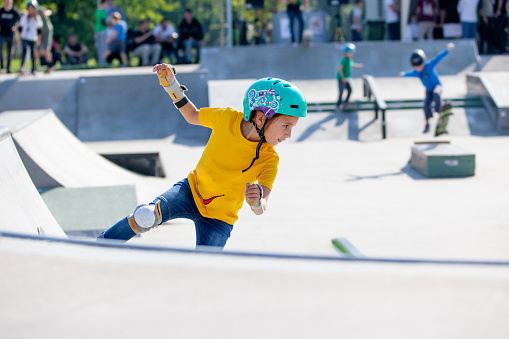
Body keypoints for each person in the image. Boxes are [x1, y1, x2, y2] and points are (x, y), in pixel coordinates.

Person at [97, 63, 307, 249]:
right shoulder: (226, 118)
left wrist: (256, 201)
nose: (288, 135)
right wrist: (171, 85)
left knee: (205, 267)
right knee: (146, 215)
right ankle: (100, 246)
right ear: (261, 118)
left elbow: (262, 207)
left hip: (219, 219)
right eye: (286, 126)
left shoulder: (270, 159)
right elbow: (192, 115)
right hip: (189, 192)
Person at [399, 43, 455, 133]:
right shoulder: (416, 72)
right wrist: (403, 74)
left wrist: (448, 50)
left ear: (423, 63)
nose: (419, 68)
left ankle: (439, 110)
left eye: (420, 66)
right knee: (425, 105)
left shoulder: (429, 66)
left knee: (437, 93)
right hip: (428, 91)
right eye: (416, 67)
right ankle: (427, 124)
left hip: (437, 86)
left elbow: (438, 58)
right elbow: (408, 74)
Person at [18, 0, 42, 75]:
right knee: (24, 50)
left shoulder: (37, 18)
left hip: (33, 38)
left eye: (32, 8)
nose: (31, 10)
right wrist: (20, 38)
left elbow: (39, 30)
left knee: (33, 53)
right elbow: (20, 28)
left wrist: (38, 39)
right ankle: (22, 67)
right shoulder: (24, 17)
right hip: (25, 37)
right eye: (29, 8)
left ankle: (34, 68)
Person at [336, 43, 362, 109]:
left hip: (346, 79)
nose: (352, 55)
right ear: (346, 53)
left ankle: (346, 101)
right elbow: (340, 69)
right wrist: (342, 78)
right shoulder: (344, 60)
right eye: (350, 53)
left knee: (350, 90)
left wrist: (358, 66)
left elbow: (352, 65)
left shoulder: (350, 60)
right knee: (341, 92)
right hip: (341, 79)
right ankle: (338, 104)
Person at [0, 0, 20, 73]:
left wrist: (16, 26)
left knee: (10, 51)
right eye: (6, 1)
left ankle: (8, 68)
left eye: (9, 1)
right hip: (2, 33)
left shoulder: (14, 12)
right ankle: (2, 67)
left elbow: (20, 21)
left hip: (11, 34)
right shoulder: (1, 11)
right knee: (0, 48)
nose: (7, 2)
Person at [36, 6, 53, 73]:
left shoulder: (39, 10)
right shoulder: (29, 13)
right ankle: (34, 66)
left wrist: (46, 13)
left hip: (46, 31)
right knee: (36, 49)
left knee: (45, 49)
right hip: (38, 32)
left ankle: (50, 65)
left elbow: (49, 11)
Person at [94, 0, 108, 65]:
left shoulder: (97, 11)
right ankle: (102, 62)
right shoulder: (102, 11)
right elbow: (103, 22)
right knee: (103, 48)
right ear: (102, 4)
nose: (106, 5)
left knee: (99, 48)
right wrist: (110, 24)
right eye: (105, 4)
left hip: (97, 32)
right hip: (102, 32)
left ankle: (100, 61)